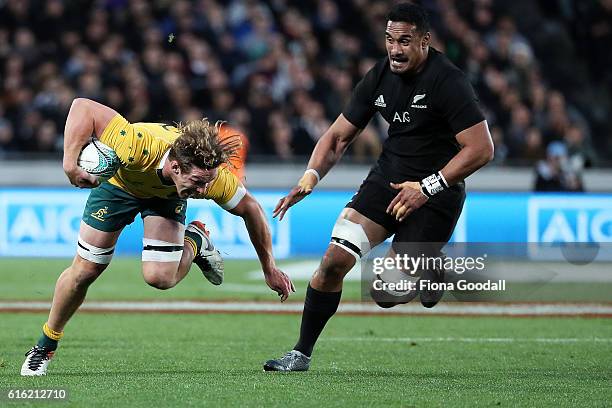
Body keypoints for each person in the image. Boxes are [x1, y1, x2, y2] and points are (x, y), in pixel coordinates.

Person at [264, 3, 493, 372]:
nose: (395, 49)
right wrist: (309, 178)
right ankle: (301, 353)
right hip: (387, 181)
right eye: (389, 40)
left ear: (424, 41)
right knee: (333, 261)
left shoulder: (447, 80)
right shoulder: (380, 75)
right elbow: (338, 136)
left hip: (437, 193)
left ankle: (433, 265)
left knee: (384, 292)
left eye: (404, 41)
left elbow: (482, 149)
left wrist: (427, 187)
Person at [21, 97, 294, 376]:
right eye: (198, 182)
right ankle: (44, 347)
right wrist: (69, 162)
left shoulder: (211, 179)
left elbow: (252, 209)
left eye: (207, 182)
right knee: (85, 271)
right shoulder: (136, 144)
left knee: (160, 278)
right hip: (119, 186)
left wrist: (269, 267)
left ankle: (195, 240)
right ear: (176, 167)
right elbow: (83, 106)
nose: (203, 191)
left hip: (166, 197)